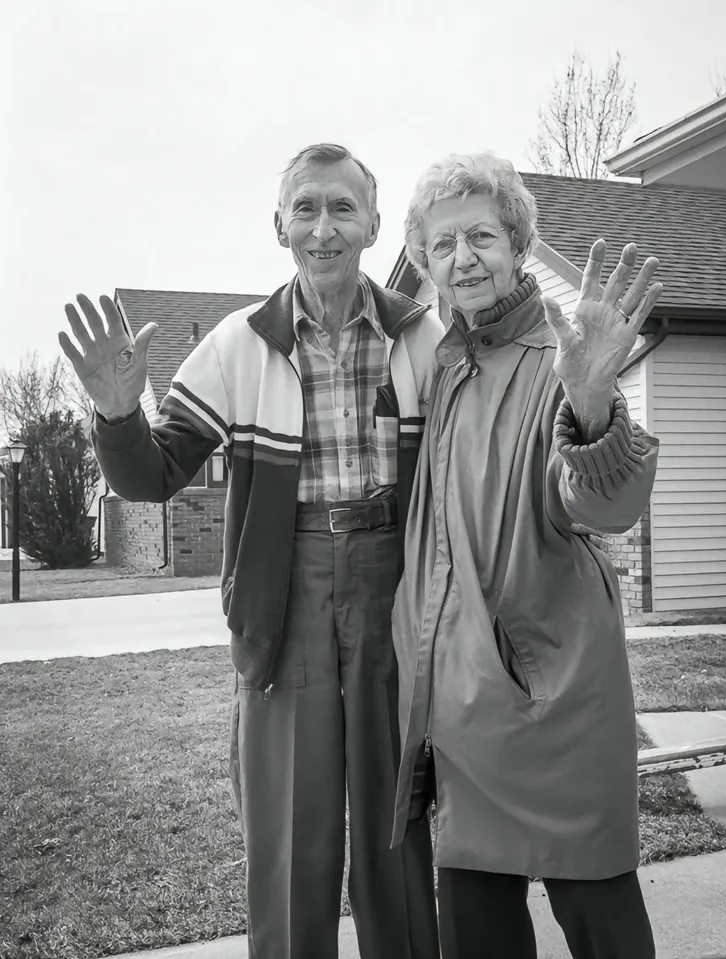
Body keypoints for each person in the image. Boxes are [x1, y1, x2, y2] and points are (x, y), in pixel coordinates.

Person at [59, 143, 442, 959]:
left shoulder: (422, 337)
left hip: (393, 587)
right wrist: (118, 415)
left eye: (342, 207)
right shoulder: (238, 344)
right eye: (306, 208)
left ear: (374, 225)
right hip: (285, 591)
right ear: (278, 226)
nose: (323, 226)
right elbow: (152, 475)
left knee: (398, 822)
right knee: (290, 830)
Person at [389, 153, 664, 959]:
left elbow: (606, 505)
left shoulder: (562, 359)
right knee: (477, 936)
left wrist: (594, 405)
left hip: (558, 699)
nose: (463, 258)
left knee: (605, 927)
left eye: (481, 236)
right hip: (460, 714)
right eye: (443, 244)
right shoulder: (446, 367)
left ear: (517, 243)